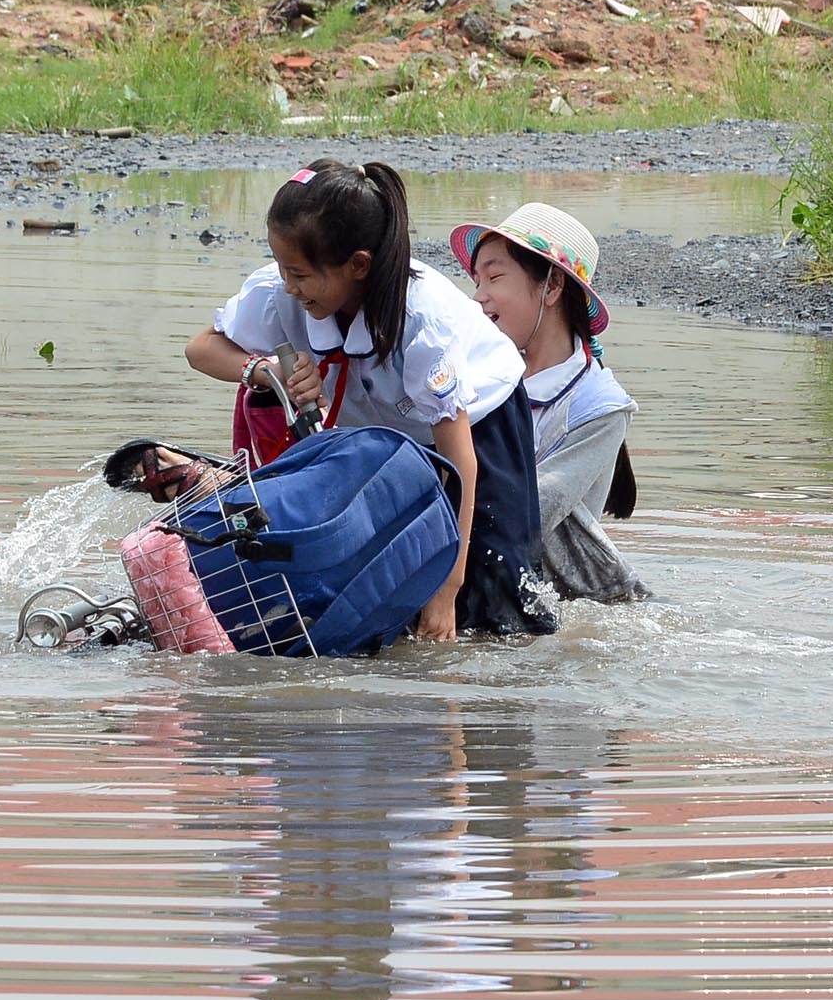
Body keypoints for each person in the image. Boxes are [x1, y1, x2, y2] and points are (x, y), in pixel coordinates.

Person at [184, 159, 559, 641]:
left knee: (495, 607)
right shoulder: (283, 294)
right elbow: (201, 348)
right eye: (281, 268)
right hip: (388, 439)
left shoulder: (422, 320)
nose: (288, 285)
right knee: (382, 583)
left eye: (298, 273)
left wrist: (447, 588)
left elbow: (460, 460)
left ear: (358, 265)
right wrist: (264, 370)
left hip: (478, 428)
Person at [451, 202, 648, 603]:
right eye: (476, 281)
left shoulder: (600, 407)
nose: (478, 297)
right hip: (475, 569)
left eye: (494, 277)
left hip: (534, 597)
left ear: (553, 287)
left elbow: (526, 514)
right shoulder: (477, 375)